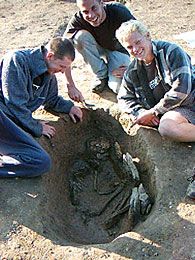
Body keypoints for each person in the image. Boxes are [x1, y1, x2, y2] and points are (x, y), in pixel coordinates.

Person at [116, 20, 195, 199]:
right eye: (129, 47)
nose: (135, 49)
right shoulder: (133, 71)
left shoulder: (171, 51)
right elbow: (123, 99)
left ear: (148, 36)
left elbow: (183, 89)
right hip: (181, 112)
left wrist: (154, 111)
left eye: (138, 42)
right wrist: (141, 113)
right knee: (166, 128)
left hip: (191, 97)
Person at [0, 37, 83, 178]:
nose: (63, 72)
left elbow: (51, 100)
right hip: (3, 117)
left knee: (41, 162)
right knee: (40, 161)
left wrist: (69, 107)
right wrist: (36, 127)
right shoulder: (16, 60)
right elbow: (15, 105)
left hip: (10, 123)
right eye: (62, 66)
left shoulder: (50, 75)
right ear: (50, 56)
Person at [63, 0, 136, 101]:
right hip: (97, 48)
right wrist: (70, 86)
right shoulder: (78, 19)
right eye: (85, 12)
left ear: (102, 3)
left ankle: (111, 74)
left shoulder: (118, 11)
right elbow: (63, 50)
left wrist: (134, 68)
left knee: (118, 87)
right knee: (79, 37)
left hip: (118, 50)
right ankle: (101, 75)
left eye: (94, 8)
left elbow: (140, 38)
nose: (91, 15)